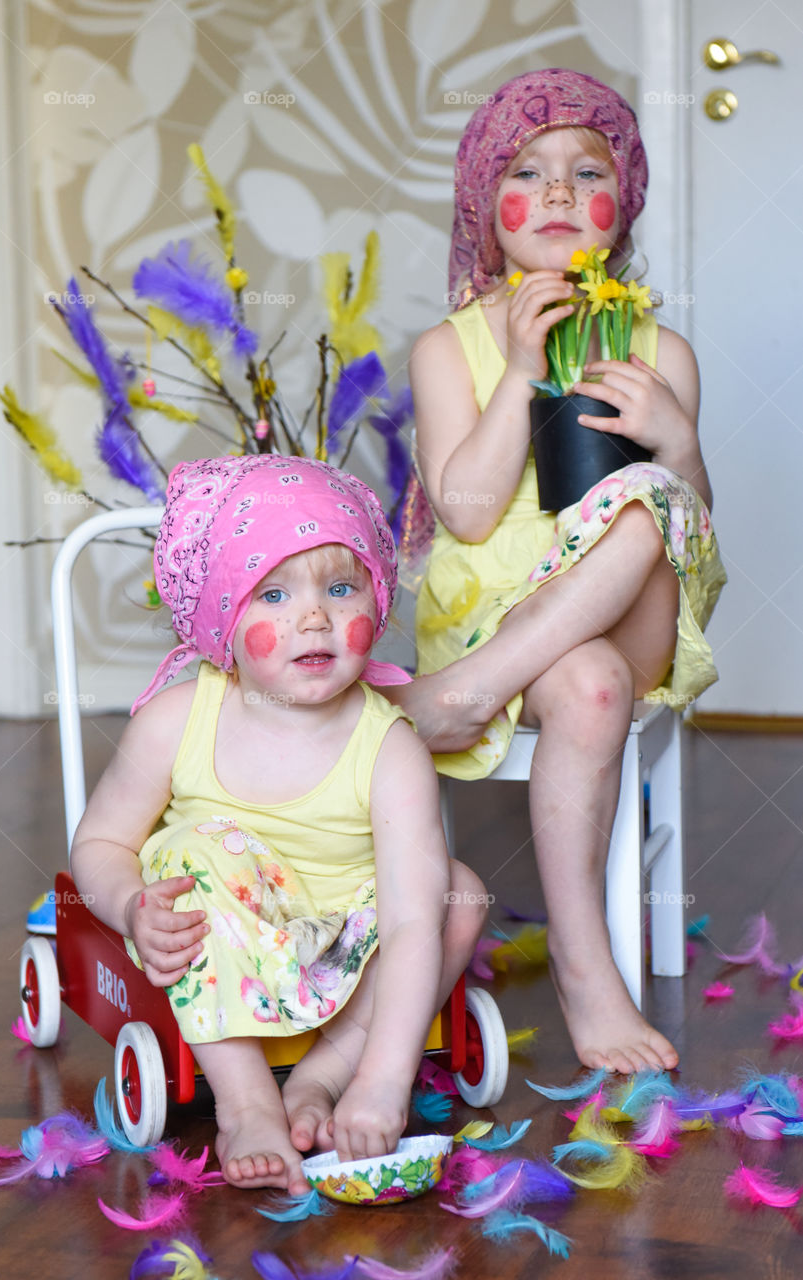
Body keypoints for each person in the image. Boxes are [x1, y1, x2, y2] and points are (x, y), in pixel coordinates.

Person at [394, 68, 726, 1076]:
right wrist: (521, 375)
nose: (551, 191)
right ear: (480, 208)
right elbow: (462, 509)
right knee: (585, 683)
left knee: (644, 507)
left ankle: (463, 695)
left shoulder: (657, 344)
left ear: (616, 205)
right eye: (524, 172)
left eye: (583, 171)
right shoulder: (445, 348)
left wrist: (673, 439)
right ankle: (588, 972)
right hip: (504, 612)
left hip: (622, 608)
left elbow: (693, 521)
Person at [70, 454, 487, 1193]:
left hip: (341, 941)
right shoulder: (177, 722)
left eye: (339, 587)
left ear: (376, 598)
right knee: (189, 856)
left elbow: (410, 922)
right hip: (221, 934)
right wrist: (132, 908)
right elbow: (102, 843)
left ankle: (323, 1075)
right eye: (271, 594)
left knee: (456, 895)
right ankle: (246, 1099)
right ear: (221, 620)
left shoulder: (388, 748)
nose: (314, 617)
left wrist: (385, 1084)